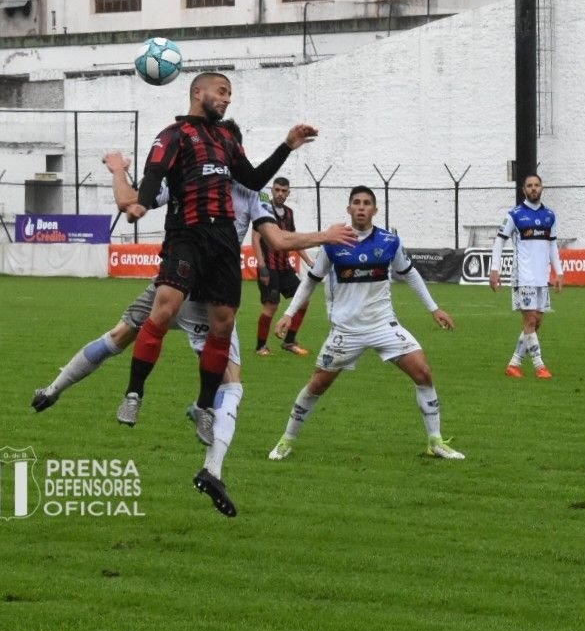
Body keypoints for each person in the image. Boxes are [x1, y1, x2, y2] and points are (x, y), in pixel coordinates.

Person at [32, 122, 355, 517]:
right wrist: (325, 235)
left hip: (177, 286)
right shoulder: (243, 191)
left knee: (119, 336)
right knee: (231, 386)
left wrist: (118, 171)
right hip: (208, 295)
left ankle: (53, 390)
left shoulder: (211, 181)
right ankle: (211, 468)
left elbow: (130, 203)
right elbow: (279, 240)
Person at [116, 72, 317, 452]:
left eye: (230, 94)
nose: (227, 99)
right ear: (198, 92)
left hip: (223, 241)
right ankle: (134, 393)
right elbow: (154, 172)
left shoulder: (226, 139)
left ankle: (205, 407)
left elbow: (253, 179)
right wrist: (141, 203)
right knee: (164, 309)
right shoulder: (174, 134)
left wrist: (287, 146)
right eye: (222, 92)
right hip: (187, 235)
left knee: (222, 327)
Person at [268, 185, 466, 462]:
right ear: (349, 209)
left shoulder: (389, 241)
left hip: (383, 325)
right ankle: (287, 440)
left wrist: (434, 309)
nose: (361, 207)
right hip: (346, 330)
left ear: (375, 210)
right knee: (317, 385)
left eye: (366, 203)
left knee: (423, 373)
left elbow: (409, 273)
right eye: (356, 203)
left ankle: (435, 441)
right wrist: (289, 313)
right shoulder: (333, 243)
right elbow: (311, 280)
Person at [490, 173, 564, 378]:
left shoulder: (550, 216)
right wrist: (494, 269)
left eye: (536, 185)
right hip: (523, 277)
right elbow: (499, 241)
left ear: (542, 188)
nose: (533, 188)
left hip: (542, 278)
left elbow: (552, 246)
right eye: (529, 185)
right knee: (530, 320)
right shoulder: (514, 215)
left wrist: (559, 272)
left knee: (536, 323)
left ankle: (514, 364)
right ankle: (540, 366)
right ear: (523, 190)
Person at [253, 176, 313, 356]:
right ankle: (261, 347)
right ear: (272, 190)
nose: (280, 193)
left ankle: (289, 341)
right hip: (268, 266)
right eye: (277, 190)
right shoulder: (263, 209)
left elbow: (293, 239)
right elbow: (255, 239)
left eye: (284, 191)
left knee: (303, 301)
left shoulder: (289, 213)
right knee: (271, 306)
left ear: (288, 193)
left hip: (284, 267)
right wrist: (262, 266)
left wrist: (308, 261)